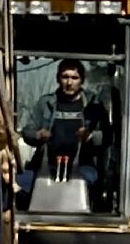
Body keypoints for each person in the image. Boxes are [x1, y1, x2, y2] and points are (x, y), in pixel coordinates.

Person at [19, 58, 110, 196]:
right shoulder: (45, 103)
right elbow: (27, 130)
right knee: (22, 184)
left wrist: (90, 136)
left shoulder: (93, 104)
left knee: (87, 183)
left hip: (82, 164)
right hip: (45, 163)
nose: (69, 82)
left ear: (82, 80)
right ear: (58, 79)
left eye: (74, 78)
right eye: (65, 77)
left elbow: (108, 136)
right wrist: (38, 135)